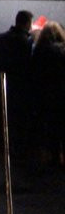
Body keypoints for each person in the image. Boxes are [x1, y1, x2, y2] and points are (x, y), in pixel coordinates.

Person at [0, 10, 35, 153]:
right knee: (22, 118)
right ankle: (21, 147)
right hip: (24, 86)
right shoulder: (27, 41)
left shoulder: (1, 38)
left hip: (5, 84)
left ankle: (7, 145)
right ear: (27, 23)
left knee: (5, 116)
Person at [31, 21, 65, 166]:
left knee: (50, 127)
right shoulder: (63, 50)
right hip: (62, 93)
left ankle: (54, 156)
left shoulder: (38, 50)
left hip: (45, 94)